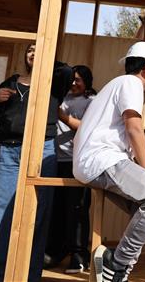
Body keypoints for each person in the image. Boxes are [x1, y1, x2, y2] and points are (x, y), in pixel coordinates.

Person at [73, 41, 145, 282]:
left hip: (94, 162)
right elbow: (134, 129)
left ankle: (118, 275)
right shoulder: (131, 82)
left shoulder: (117, 85)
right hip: (102, 159)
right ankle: (115, 266)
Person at [0, 43, 73, 282]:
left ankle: (29, 274)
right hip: (9, 151)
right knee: (1, 210)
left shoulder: (54, 81)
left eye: (38, 49)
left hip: (42, 150)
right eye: (30, 50)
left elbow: (67, 71)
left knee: (38, 212)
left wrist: (46, 56)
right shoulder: (11, 82)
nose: (33, 53)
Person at [45, 65, 96, 273]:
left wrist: (63, 117)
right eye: (71, 80)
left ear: (87, 82)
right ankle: (56, 252)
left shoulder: (92, 101)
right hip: (55, 161)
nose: (74, 83)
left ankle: (79, 255)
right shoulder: (60, 97)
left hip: (78, 163)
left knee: (77, 210)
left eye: (79, 80)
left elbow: (89, 128)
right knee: (56, 209)